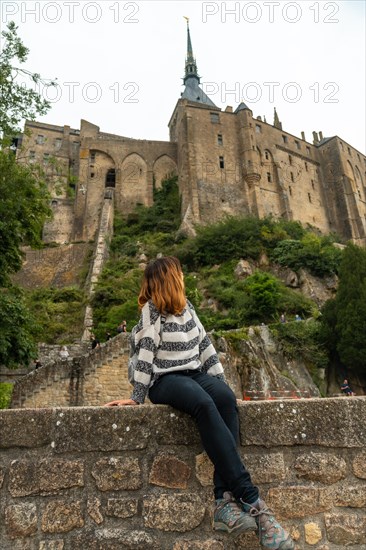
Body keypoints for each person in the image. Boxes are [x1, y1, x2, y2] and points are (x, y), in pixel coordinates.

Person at [105, 256, 294, 549]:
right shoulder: (151, 311)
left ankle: (223, 501)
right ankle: (254, 502)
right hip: (164, 380)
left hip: (193, 374)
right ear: (169, 278)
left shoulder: (188, 309)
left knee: (225, 399)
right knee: (204, 405)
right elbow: (145, 354)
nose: (183, 277)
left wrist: (222, 383)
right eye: (178, 273)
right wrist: (137, 397)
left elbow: (206, 346)